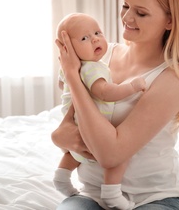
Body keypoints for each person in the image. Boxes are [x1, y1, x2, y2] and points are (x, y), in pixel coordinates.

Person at [52, 0, 179, 210]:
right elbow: (66, 127)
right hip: (91, 194)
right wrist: (58, 137)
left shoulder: (172, 79)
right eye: (125, 5)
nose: (127, 17)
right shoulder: (100, 55)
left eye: (141, 13)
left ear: (170, 21)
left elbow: (111, 154)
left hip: (153, 198)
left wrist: (73, 77)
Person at [53, 13, 147, 210]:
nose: (95, 38)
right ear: (68, 48)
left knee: (75, 153)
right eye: (85, 38)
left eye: (97, 32)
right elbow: (104, 92)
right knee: (120, 156)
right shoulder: (92, 68)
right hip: (94, 124)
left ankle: (62, 177)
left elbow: (62, 85)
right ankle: (112, 192)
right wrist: (131, 87)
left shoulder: (70, 67)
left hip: (76, 120)